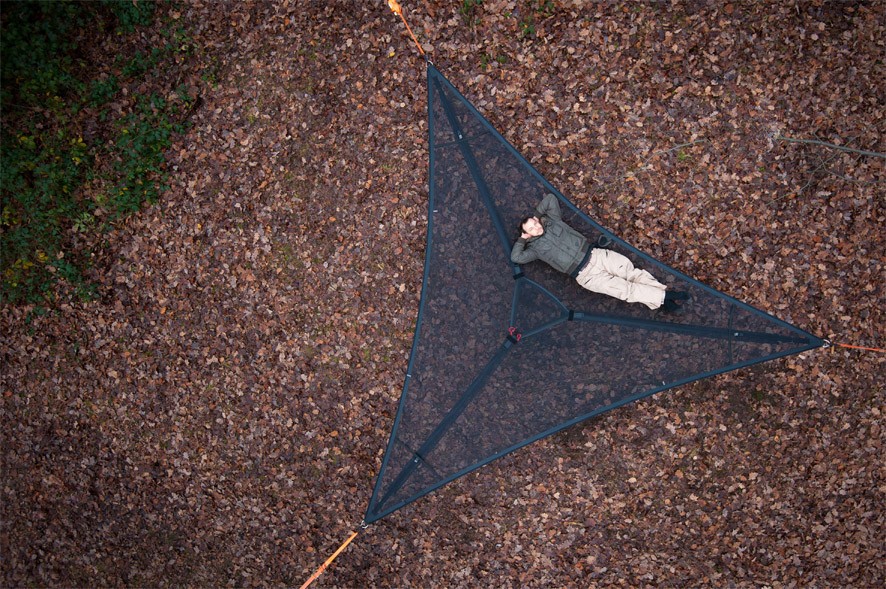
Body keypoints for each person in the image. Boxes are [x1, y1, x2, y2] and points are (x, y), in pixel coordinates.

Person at [510, 193, 688, 311]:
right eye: (531, 229)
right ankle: (667, 296)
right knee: (625, 290)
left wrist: (536, 215)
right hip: (586, 276)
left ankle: (663, 301)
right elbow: (516, 257)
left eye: (535, 224)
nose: (536, 228)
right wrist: (522, 240)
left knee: (632, 273)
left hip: (596, 255)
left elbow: (550, 199)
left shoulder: (553, 221)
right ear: (528, 234)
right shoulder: (534, 250)